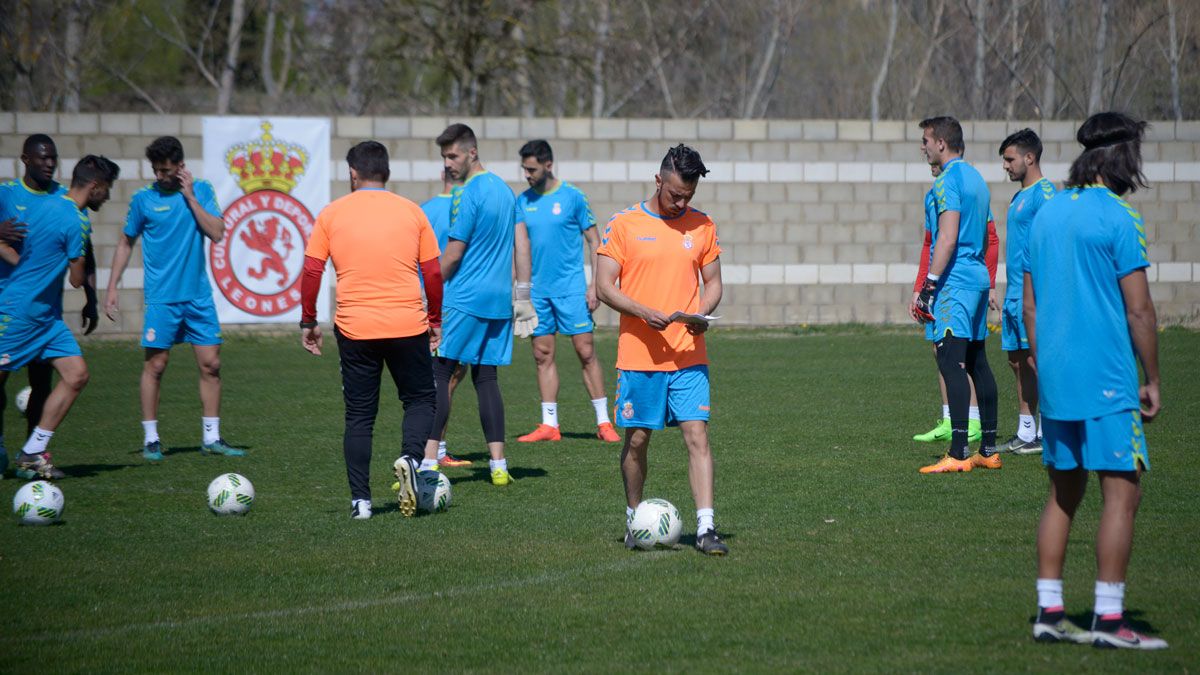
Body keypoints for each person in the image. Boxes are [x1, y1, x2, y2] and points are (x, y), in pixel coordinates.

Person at [1024, 112, 1167, 650]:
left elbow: (1030, 306)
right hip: (1108, 378)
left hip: (1057, 378)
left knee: (1063, 494)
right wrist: (1151, 377)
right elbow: (1140, 312)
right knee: (1121, 495)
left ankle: (1049, 612)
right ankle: (1110, 621)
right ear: (1123, 156)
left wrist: (1045, 362)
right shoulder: (1120, 216)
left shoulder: (1045, 212)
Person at [595, 144, 728, 556]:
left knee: (697, 435)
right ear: (659, 181)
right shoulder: (624, 224)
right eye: (674, 194)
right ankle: (635, 519)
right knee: (636, 441)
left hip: (688, 351)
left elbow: (715, 285)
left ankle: (706, 528)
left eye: (688, 195)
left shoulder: (703, 226)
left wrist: (699, 313)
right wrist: (643, 312)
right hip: (639, 354)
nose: (681, 202)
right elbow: (604, 286)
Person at [300, 141, 442, 519]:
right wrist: (435, 320)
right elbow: (431, 271)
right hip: (406, 324)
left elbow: (312, 270)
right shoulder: (411, 212)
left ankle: (361, 502)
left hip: (355, 328)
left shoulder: (332, 214)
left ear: (352, 173)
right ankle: (412, 458)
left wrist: (308, 320)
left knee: (359, 416)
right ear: (387, 172)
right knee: (420, 400)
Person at [104, 136, 242, 461]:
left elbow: (218, 232)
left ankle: (212, 438)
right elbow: (126, 243)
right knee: (156, 364)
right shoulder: (143, 200)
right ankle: (151, 439)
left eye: (166, 170)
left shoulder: (203, 190)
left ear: (181, 167)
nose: (160, 176)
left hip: (198, 297)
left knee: (212, 364)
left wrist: (190, 197)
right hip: (162, 298)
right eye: (156, 170)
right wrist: (112, 287)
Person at [424, 123, 536, 486]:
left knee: (440, 373)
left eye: (453, 155)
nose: (448, 163)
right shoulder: (506, 192)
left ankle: (427, 463)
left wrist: (425, 287)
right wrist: (522, 295)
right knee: (486, 377)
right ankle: (498, 465)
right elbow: (522, 244)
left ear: (472, 152)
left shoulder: (465, 194)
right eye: (444, 156)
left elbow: (454, 254)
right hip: (499, 302)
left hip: (464, 298)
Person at [2, 156, 118, 479]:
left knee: (77, 374)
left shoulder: (44, 205)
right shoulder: (77, 221)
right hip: (20, 313)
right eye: (106, 190)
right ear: (94, 186)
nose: (107, 197)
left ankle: (32, 451)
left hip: (46, 320)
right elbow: (77, 279)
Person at [512, 140, 619, 444]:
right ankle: (549, 426)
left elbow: (595, 242)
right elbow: (519, 248)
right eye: (524, 169)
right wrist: (520, 292)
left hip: (572, 291)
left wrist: (595, 285)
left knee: (585, 351)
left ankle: (603, 422)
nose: (527, 175)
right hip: (538, 293)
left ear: (548, 165)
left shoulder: (573, 197)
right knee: (542, 354)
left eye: (531, 169)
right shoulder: (522, 202)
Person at [913, 116, 1000, 474]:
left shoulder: (946, 182)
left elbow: (946, 238)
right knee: (978, 361)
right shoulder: (977, 179)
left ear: (942, 144)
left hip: (956, 282)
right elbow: (985, 236)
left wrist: (929, 286)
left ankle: (959, 452)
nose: (923, 147)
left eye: (926, 140)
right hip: (977, 278)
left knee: (951, 362)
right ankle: (989, 449)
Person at [997, 128, 1056, 455]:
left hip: (1035, 296)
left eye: (1010, 159)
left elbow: (1052, 246)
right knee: (1017, 362)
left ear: (1029, 157)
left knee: (1038, 361)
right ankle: (1026, 431)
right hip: (1015, 294)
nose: (1006, 166)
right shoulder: (1021, 196)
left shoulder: (1044, 194)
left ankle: (1050, 430)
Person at [419, 169, 470, 468]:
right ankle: (434, 451)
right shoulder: (469, 209)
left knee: (445, 375)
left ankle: (433, 449)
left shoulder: (424, 210)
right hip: (457, 303)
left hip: (430, 300)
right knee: (446, 377)